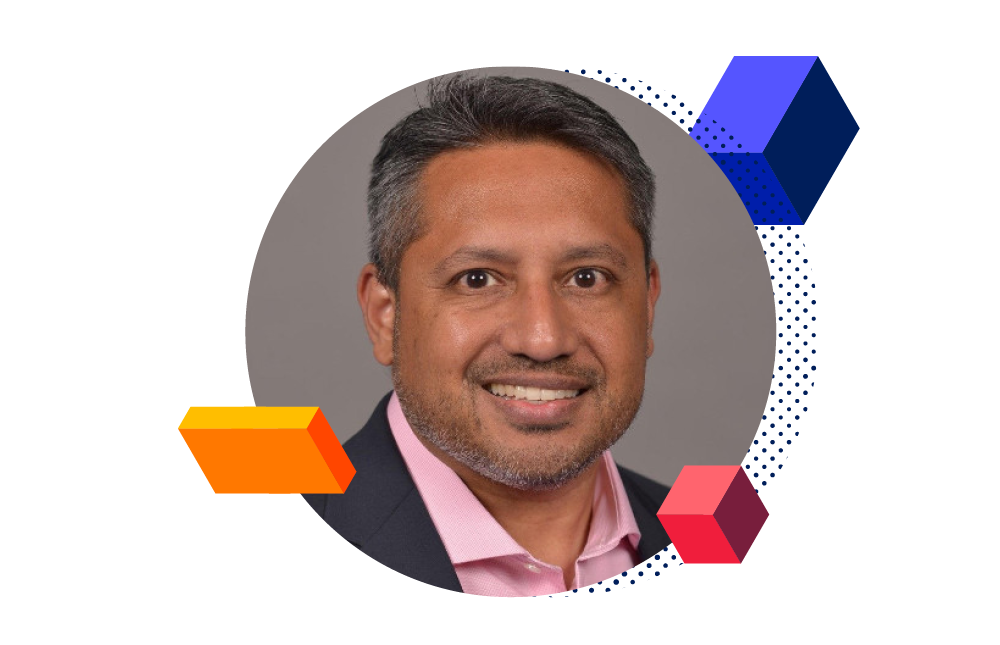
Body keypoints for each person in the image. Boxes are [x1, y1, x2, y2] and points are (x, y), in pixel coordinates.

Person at [303, 75, 672, 596]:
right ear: (385, 314)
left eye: (587, 277)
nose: (543, 339)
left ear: (647, 306)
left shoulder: (735, 540)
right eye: (477, 279)